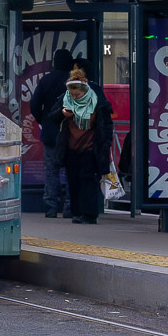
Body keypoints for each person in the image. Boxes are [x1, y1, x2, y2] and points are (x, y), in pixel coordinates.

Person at [54, 66, 114, 224]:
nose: (74, 97)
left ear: (85, 92)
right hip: (71, 147)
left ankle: (89, 214)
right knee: (73, 181)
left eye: (77, 95)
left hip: (90, 147)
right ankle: (77, 213)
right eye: (72, 95)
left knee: (87, 180)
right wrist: (62, 113)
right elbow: (50, 117)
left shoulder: (97, 102)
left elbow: (106, 124)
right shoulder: (65, 100)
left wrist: (106, 143)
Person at [30, 48, 75, 218]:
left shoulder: (46, 80)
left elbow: (35, 105)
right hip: (72, 132)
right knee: (71, 170)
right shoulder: (75, 81)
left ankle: (51, 206)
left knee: (51, 171)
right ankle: (70, 207)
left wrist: (44, 120)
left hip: (51, 132)